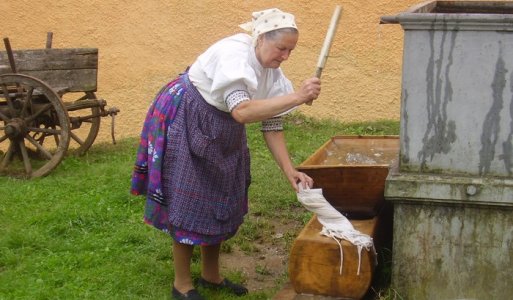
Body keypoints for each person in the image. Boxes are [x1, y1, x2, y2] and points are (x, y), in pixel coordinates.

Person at [131, 7, 321, 300]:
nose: (285, 57)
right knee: (188, 199)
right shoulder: (234, 55)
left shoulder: (272, 74)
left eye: (290, 51)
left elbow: (271, 124)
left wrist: (289, 170)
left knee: (221, 197)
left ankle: (211, 275)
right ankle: (181, 285)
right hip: (188, 115)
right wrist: (298, 96)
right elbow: (242, 111)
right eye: (281, 48)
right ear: (260, 38)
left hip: (223, 127)